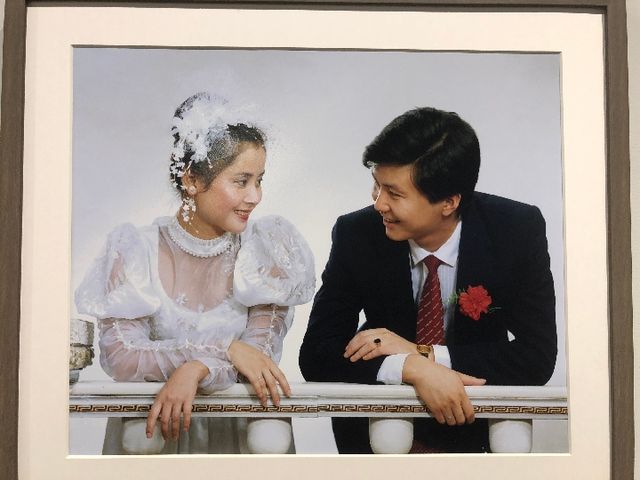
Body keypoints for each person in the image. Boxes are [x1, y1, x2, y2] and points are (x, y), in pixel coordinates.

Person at [299, 107, 557, 453]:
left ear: (449, 202)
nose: (379, 204)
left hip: (472, 428)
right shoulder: (356, 233)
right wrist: (411, 367)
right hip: (376, 435)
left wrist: (424, 353)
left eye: (394, 193)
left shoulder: (515, 230)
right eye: (376, 186)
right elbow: (316, 354)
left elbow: (537, 357)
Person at [75, 92, 315, 454]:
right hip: (155, 431)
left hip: (239, 435)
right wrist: (224, 348)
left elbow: (258, 360)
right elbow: (122, 356)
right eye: (241, 181)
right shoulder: (136, 249)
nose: (255, 196)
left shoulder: (265, 251)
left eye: (259, 180)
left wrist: (197, 369)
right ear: (191, 181)